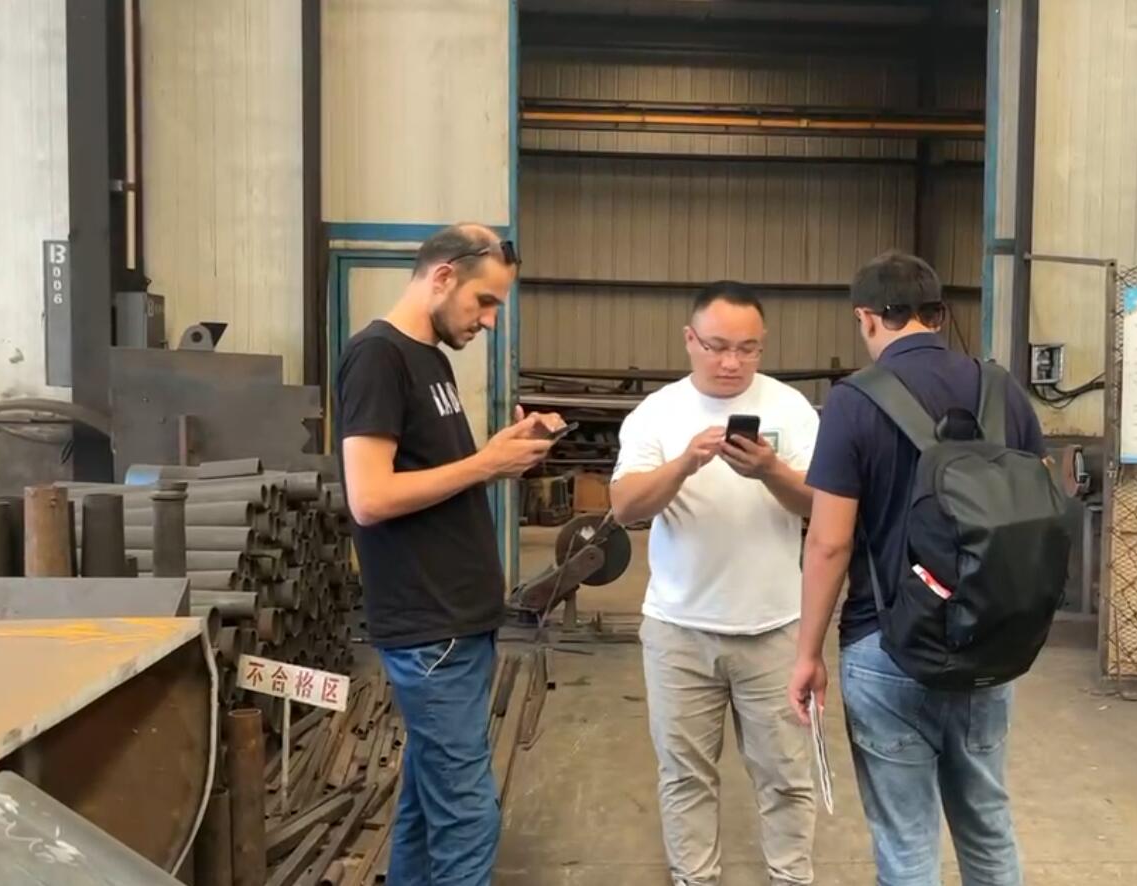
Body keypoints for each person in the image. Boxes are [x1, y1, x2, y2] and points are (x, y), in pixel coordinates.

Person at [789, 251, 1047, 886]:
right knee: (987, 823)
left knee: (907, 842)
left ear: (867, 317)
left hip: (887, 645)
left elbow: (828, 543)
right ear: (937, 313)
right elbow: (1040, 503)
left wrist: (808, 653)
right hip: (989, 639)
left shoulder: (853, 402)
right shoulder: (1002, 390)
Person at [335, 223, 562, 886]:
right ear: (442, 277)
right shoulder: (378, 357)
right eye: (483, 302)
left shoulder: (427, 358)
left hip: (456, 625)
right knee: (467, 816)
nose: (489, 321)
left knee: (424, 805)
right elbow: (369, 496)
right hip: (429, 630)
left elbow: (434, 476)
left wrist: (498, 454)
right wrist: (485, 464)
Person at [609, 281, 822, 886]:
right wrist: (684, 464)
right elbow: (624, 507)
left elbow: (823, 505)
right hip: (679, 632)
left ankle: (791, 877)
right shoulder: (658, 413)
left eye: (748, 349)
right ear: (689, 339)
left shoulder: (791, 410)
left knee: (786, 776)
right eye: (718, 346)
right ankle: (694, 878)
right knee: (685, 776)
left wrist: (770, 470)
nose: (732, 362)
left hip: (775, 630)